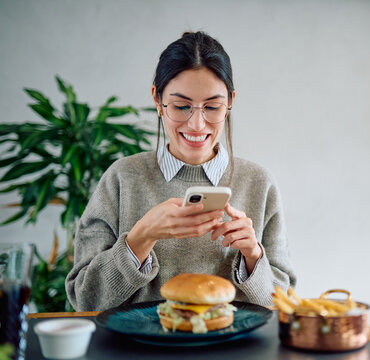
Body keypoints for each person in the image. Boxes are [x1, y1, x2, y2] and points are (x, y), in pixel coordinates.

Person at [66, 31, 296, 311]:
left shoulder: (260, 184)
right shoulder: (121, 179)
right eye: (181, 106)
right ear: (157, 99)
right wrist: (141, 237)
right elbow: (83, 300)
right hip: (139, 352)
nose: (197, 124)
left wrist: (253, 256)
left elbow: (284, 304)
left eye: (212, 106)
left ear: (230, 102)